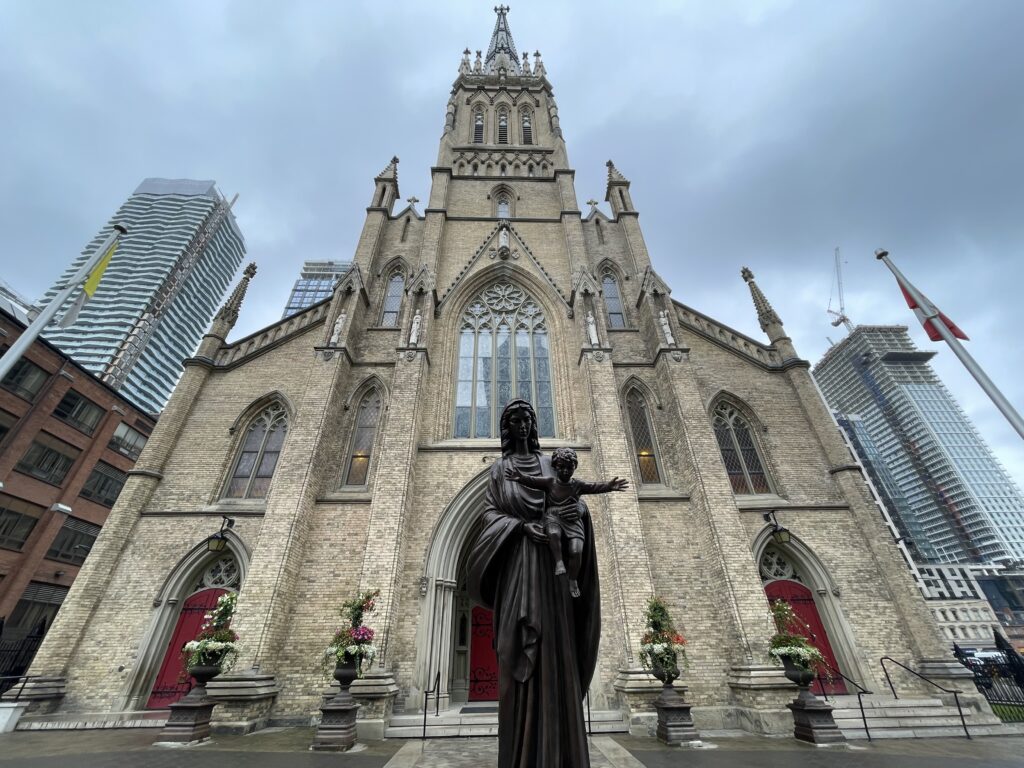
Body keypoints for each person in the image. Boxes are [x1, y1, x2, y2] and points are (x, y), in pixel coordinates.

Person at [468, 400, 600, 768]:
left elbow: (571, 498)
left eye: (527, 418)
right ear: (507, 428)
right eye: (514, 420)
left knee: (555, 651)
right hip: (517, 566)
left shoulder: (549, 463)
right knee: (515, 650)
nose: (522, 424)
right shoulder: (500, 469)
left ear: (534, 424)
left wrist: (579, 513)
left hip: (551, 571)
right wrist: (522, 526)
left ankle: (559, 753)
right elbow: (490, 513)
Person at [505, 447, 627, 598]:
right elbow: (533, 481)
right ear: (555, 467)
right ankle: (559, 562)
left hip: (572, 520)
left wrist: (609, 486)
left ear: (574, 467)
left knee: (576, 550)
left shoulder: (577, 485)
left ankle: (573, 579)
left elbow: (594, 487)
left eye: (569, 468)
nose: (565, 471)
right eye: (561, 467)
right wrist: (520, 477)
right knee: (553, 533)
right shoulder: (550, 482)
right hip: (554, 516)